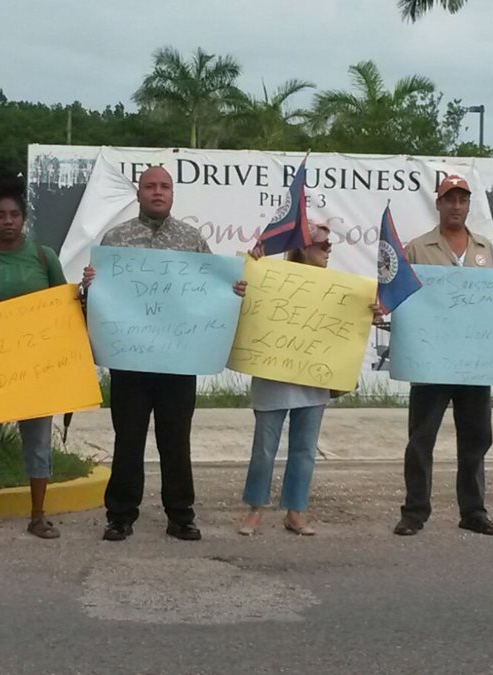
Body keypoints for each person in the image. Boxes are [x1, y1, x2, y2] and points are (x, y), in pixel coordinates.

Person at [91, 166, 246, 542]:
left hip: (178, 362)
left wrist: (233, 290)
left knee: (176, 441)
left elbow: (212, 291)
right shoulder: (117, 239)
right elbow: (102, 296)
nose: (157, 192)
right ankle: (120, 515)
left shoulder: (191, 240)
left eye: (164, 187)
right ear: (139, 193)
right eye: (150, 186)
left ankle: (181, 515)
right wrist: (91, 284)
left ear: (173, 194)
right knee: (128, 440)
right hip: (130, 361)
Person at [393, 174, 493, 537]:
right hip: (431, 360)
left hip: (474, 362)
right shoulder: (417, 248)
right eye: (449, 200)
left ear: (468, 205)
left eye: (462, 200)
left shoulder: (484, 248)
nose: (456, 206)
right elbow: (401, 294)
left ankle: (473, 511)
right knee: (421, 440)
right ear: (439, 203)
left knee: (475, 439)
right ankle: (415, 512)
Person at [0, 180, 93, 540]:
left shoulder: (43, 258)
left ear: (24, 219)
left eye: (14, 214)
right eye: (0, 215)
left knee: (37, 442)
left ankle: (38, 516)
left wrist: (82, 296)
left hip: (37, 369)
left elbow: (64, 309)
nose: (7, 221)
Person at [238, 223, 352, 537]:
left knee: (304, 450)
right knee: (264, 449)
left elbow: (347, 324)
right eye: (323, 245)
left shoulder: (337, 287)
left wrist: (367, 309)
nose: (328, 251)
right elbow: (248, 301)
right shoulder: (270, 278)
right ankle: (255, 510)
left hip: (312, 382)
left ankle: (295, 511)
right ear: (303, 247)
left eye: (330, 246)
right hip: (273, 377)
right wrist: (252, 267)